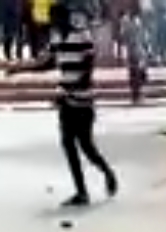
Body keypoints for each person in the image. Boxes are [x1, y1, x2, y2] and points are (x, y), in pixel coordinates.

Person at [10, 1, 120, 207]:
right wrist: (21, 68)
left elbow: (88, 68)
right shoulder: (57, 39)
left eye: (55, 20)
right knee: (69, 145)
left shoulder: (82, 37)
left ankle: (107, 172)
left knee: (87, 146)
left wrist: (71, 89)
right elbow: (48, 64)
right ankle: (81, 191)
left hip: (83, 100)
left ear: (63, 18)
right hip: (66, 102)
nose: (53, 24)